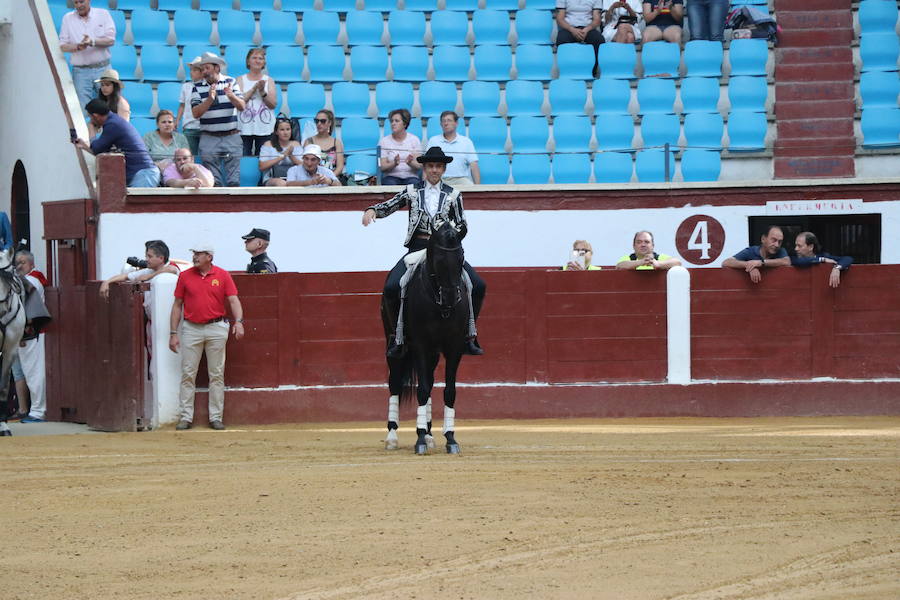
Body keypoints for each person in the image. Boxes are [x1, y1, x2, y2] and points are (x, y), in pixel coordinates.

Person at [362, 146, 485, 357]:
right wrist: (372, 210)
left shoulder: (454, 194)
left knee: (477, 285)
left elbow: (462, 225)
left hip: (445, 253)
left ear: (444, 169)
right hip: (418, 248)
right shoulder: (412, 191)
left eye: (438, 166)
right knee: (392, 286)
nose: (434, 170)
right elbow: (391, 204)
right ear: (424, 168)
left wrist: (448, 236)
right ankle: (397, 337)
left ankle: (468, 335)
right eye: (430, 166)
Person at [169, 242, 244, 431]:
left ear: (209, 257)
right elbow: (177, 305)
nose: (195, 257)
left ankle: (216, 417)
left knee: (216, 374)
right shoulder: (185, 276)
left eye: (199, 254)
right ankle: (186, 417)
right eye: (194, 253)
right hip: (191, 328)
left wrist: (239, 322)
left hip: (216, 327)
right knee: (188, 373)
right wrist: (173, 333)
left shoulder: (222, 275)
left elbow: (233, 300)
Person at [73, 98, 160, 188]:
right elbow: (100, 152)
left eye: (90, 117)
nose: (90, 121)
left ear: (95, 116)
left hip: (143, 174)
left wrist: (91, 130)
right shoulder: (114, 121)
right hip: (141, 174)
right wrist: (84, 146)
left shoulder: (113, 125)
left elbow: (96, 148)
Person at [191, 52, 246, 188]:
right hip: (209, 137)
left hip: (231, 134)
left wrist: (232, 96)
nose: (204, 71)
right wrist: (209, 99)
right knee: (212, 181)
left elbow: (242, 106)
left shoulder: (231, 82)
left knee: (234, 180)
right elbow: (195, 113)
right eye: (202, 69)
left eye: (207, 68)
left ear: (217, 68)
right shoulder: (197, 87)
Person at [10, 251, 51, 424]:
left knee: (34, 374)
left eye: (23, 262)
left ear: (31, 264)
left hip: (32, 333)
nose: (19, 266)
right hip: (27, 334)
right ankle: (32, 410)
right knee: (27, 373)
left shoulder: (32, 280)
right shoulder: (28, 279)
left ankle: (38, 411)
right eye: (17, 262)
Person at [58, 0, 116, 115]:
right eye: (76, 3)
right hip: (81, 71)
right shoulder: (67, 18)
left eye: (81, 1)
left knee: (109, 106)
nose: (79, 5)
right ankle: (88, 133)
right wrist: (77, 47)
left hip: (103, 69)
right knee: (83, 111)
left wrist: (92, 42)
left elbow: (111, 40)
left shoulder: (103, 14)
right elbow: (63, 45)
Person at [99, 240, 180, 299]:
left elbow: (172, 269)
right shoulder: (149, 270)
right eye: (146, 256)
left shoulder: (170, 268)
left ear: (161, 258)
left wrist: (149, 276)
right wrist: (107, 282)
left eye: (149, 256)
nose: (146, 259)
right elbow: (125, 276)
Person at [237, 48, 278, 157]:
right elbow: (239, 102)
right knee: (243, 158)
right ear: (248, 61)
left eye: (261, 58)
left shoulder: (269, 80)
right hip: (244, 127)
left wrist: (262, 91)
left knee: (264, 159)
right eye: (254, 58)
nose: (257, 60)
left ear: (264, 62)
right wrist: (253, 89)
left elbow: (273, 104)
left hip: (265, 128)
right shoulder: (240, 79)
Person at [423, 111, 481, 186]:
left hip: (461, 179)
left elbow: (474, 165)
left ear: (456, 123)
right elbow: (426, 163)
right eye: (444, 121)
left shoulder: (466, 141)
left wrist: (478, 187)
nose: (446, 123)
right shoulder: (433, 140)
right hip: (439, 178)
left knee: (470, 187)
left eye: (449, 120)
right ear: (441, 124)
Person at [722, 225, 790, 284]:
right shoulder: (751, 251)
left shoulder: (781, 250)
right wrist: (750, 266)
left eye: (780, 242)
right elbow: (726, 262)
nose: (777, 245)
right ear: (763, 239)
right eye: (773, 240)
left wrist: (761, 263)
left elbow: (786, 261)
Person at [555, 0, 604, 76]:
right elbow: (560, 19)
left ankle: (592, 72)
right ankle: (566, 72)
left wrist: (587, 29)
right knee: (562, 39)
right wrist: (572, 30)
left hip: (588, 28)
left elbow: (597, 19)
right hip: (569, 27)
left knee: (598, 40)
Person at [379, 109, 421, 186]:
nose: (393, 123)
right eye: (392, 121)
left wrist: (410, 163)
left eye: (396, 121)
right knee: (390, 184)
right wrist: (394, 163)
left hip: (411, 177)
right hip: (391, 177)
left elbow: (419, 166)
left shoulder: (414, 140)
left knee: (414, 185)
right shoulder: (384, 141)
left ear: (404, 124)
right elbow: (382, 167)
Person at [302, 109, 345, 180]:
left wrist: (329, 178)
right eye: (317, 121)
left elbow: (340, 167)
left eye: (323, 121)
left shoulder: (336, 142)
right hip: (312, 180)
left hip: (332, 180)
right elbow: (304, 164)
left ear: (329, 123)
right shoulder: (309, 141)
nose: (319, 124)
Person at [258, 116, 301, 186]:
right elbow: (261, 166)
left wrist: (291, 156)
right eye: (282, 130)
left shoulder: (296, 144)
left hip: (293, 178)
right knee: (282, 183)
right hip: (272, 178)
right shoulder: (268, 144)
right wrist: (282, 156)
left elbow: (304, 165)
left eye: (288, 129)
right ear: (276, 132)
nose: (285, 132)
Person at [87, 68, 130, 138]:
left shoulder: (122, 103)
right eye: (102, 85)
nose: (104, 88)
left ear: (115, 86)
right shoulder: (102, 101)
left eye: (107, 85)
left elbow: (123, 127)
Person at [176, 56, 204, 157]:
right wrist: (177, 120)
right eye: (191, 70)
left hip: (204, 127)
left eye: (195, 70)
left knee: (205, 157)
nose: (191, 72)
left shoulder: (208, 86)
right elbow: (182, 105)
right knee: (189, 156)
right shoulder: (186, 86)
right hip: (189, 126)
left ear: (202, 72)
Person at [616, 230, 682, 270]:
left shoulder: (659, 258)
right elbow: (619, 266)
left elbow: (678, 262)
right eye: (639, 242)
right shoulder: (628, 258)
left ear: (653, 246)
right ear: (634, 246)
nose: (643, 245)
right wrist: (641, 262)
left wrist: (659, 264)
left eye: (646, 242)